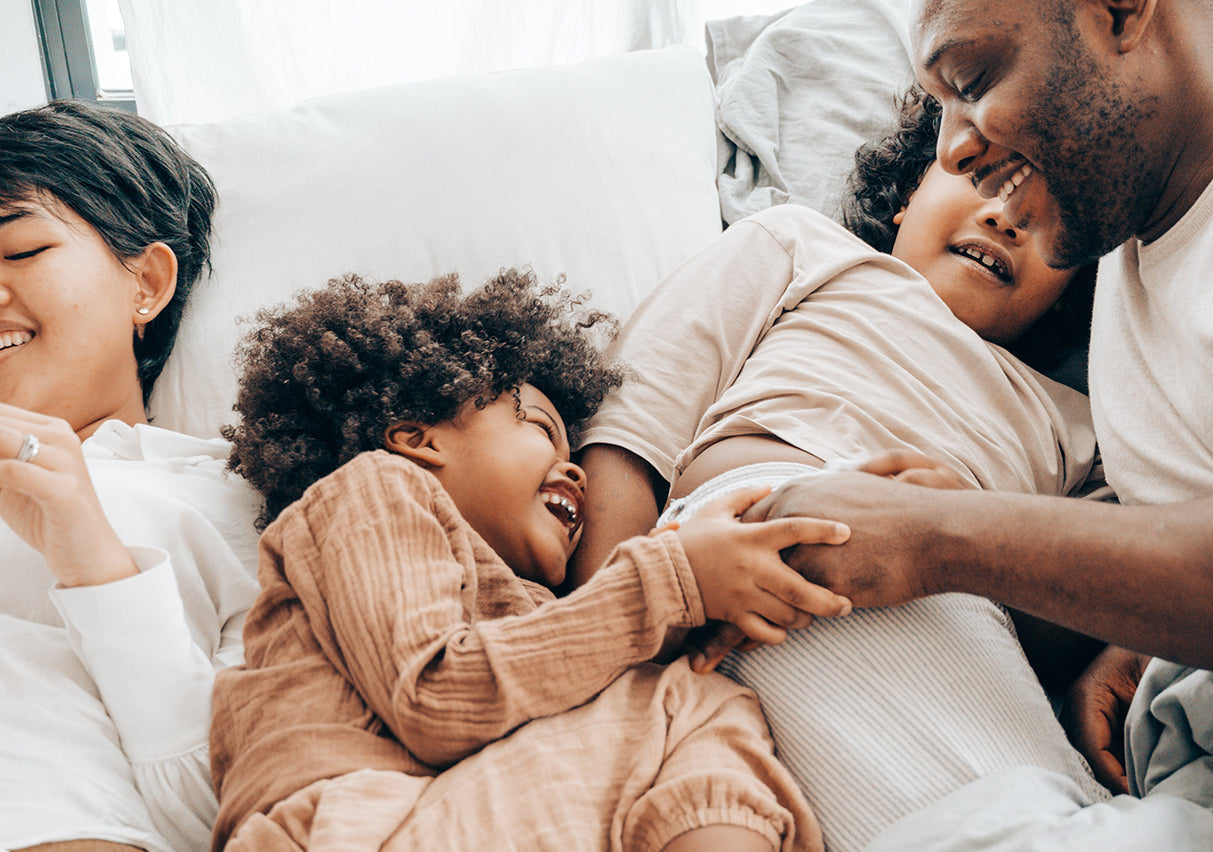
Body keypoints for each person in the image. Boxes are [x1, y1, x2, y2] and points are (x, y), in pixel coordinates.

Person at [721, 0, 1213, 847]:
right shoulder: (1126, 256)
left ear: (1118, 3)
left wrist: (943, 537)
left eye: (971, 78)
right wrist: (1144, 636)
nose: (955, 149)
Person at [571, 87, 1107, 851]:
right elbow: (628, 429)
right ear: (907, 193)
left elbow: (1077, 619)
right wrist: (612, 625)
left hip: (956, 607)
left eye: (1054, 216)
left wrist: (978, 531)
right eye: (979, 173)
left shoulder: (1084, 423)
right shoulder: (805, 250)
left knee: (1031, 802)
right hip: (738, 547)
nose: (1007, 215)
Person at [211, 270, 844, 852]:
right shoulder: (371, 494)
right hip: (352, 820)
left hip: (478, 807)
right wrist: (675, 578)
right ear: (417, 439)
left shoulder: (540, 611)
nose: (575, 470)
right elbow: (434, 694)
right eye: (541, 428)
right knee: (685, 704)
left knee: (704, 700)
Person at [0, 100, 261, 852]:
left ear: (145, 282)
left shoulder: (234, 499)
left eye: (19, 251)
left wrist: (94, 562)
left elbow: (222, 803)